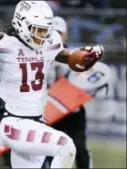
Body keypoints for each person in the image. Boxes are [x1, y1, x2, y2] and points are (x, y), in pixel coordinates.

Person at [0, 1, 104, 168]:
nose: (42, 34)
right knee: (65, 146)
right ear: (21, 23)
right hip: (14, 123)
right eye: (37, 29)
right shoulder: (3, 44)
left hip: (37, 122)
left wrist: (84, 56)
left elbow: (66, 56)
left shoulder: (49, 41)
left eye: (45, 29)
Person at [42, 16, 112, 169]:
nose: (56, 36)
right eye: (53, 32)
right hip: (49, 111)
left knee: (80, 148)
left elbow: (95, 76)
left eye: (59, 32)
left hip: (73, 110)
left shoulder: (76, 55)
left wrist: (95, 87)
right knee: (48, 150)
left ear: (66, 34)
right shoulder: (41, 54)